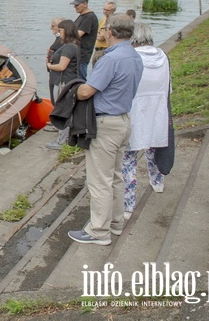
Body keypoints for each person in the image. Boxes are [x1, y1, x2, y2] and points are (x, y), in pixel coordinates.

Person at [68, 14, 143, 246]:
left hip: (106, 124)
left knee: (100, 180)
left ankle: (99, 231)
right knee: (116, 176)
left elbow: (87, 91)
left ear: (110, 31)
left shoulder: (111, 59)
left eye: (104, 29)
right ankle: (116, 223)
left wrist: (75, 89)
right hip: (123, 120)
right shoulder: (135, 56)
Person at [122, 23, 170, 218]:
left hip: (135, 108)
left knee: (128, 156)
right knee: (154, 146)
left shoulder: (132, 58)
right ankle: (157, 181)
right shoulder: (162, 56)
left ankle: (128, 202)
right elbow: (168, 85)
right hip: (157, 108)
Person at [45, 19, 81, 150]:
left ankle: (62, 141)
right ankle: (65, 139)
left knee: (62, 110)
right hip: (68, 81)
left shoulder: (68, 47)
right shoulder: (75, 45)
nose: (59, 33)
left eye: (60, 30)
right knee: (66, 110)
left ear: (67, 31)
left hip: (63, 82)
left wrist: (49, 65)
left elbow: (61, 66)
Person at [71, 0, 98, 80]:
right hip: (76, 53)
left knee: (80, 79)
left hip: (82, 54)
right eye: (74, 5)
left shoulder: (89, 17)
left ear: (85, 4)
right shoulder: (82, 16)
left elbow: (77, 35)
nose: (75, 7)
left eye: (77, 5)